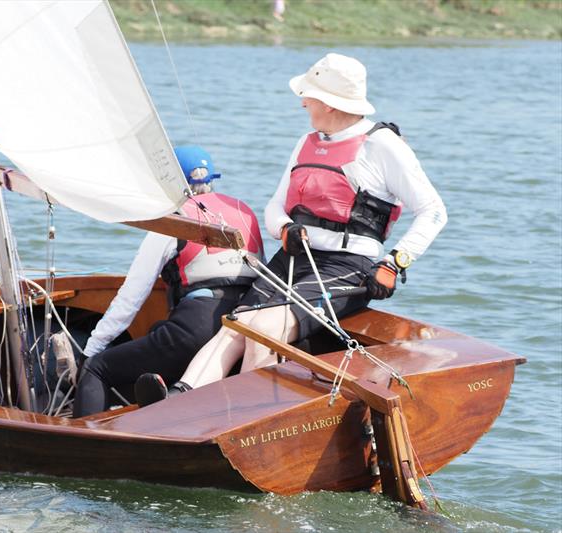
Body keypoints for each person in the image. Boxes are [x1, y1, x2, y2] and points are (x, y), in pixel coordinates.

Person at [137, 52, 447, 401]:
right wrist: (284, 227)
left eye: (308, 96)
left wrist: (394, 262)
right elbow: (275, 206)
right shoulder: (306, 142)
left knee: (263, 329)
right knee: (236, 324)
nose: (303, 104)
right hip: (296, 258)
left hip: (348, 267)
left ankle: (248, 415)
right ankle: (180, 398)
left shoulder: (382, 146)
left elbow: (434, 212)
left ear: (329, 104)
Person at [72, 145, 265, 417]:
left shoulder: (174, 221)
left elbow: (131, 298)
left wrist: (89, 352)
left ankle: (84, 450)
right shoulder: (244, 212)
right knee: (157, 345)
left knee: (99, 368)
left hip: (195, 328)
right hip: (243, 328)